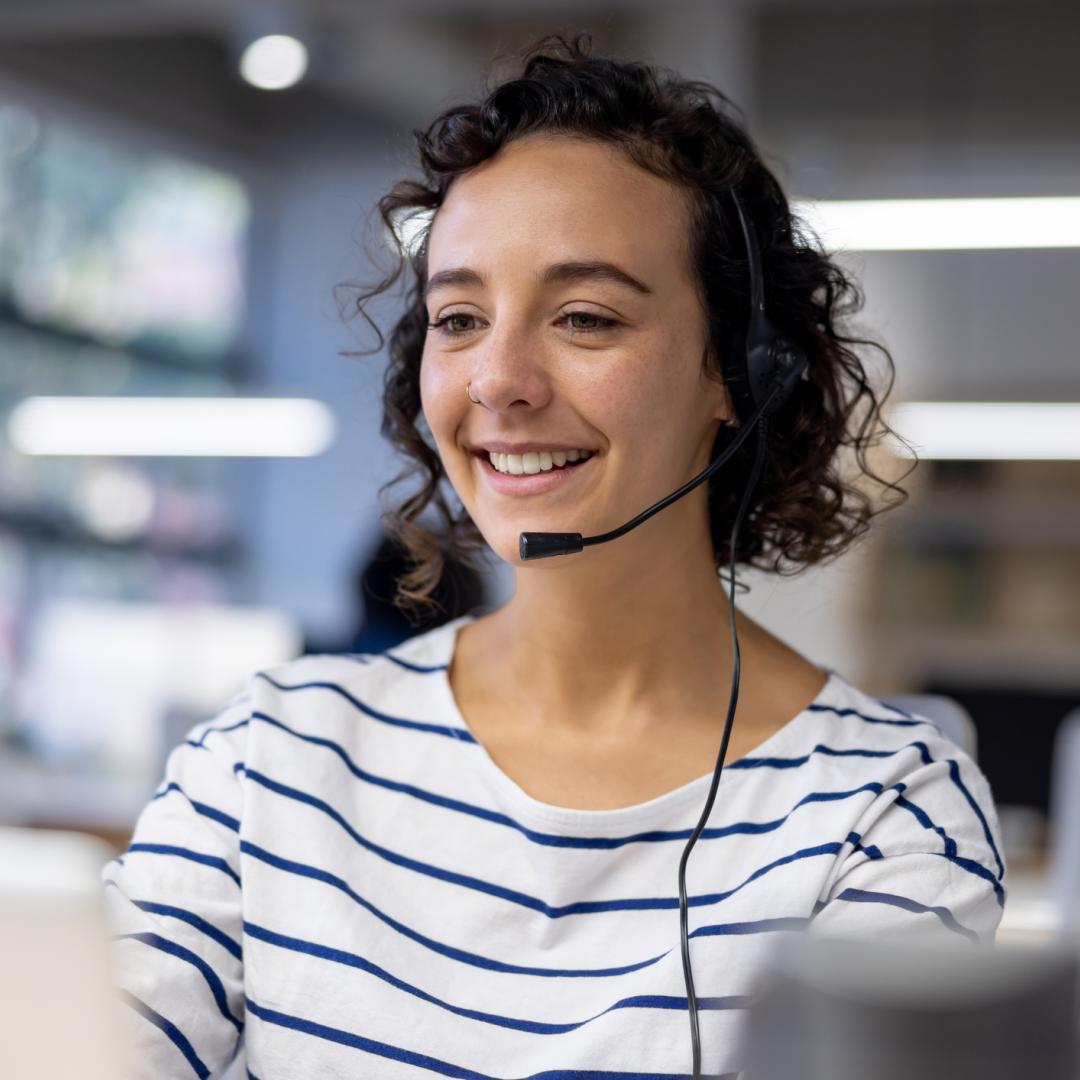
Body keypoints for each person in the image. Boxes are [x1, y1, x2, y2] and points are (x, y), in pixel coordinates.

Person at [101, 31, 1007, 1080]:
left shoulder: (883, 811)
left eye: (584, 316)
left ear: (739, 373)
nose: (499, 379)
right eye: (459, 318)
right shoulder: (269, 759)